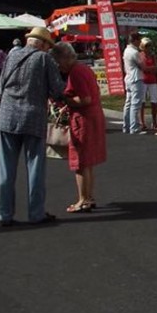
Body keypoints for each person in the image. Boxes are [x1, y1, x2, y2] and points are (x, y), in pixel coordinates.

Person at [0, 27, 64, 227]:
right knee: (35, 167)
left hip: (7, 116)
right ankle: (36, 213)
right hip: (33, 116)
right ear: (43, 44)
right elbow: (57, 89)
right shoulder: (44, 59)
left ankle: (4, 214)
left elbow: (1, 86)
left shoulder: (12, 56)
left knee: (6, 169)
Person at [51, 42, 107, 213]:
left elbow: (85, 99)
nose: (58, 66)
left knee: (80, 162)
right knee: (88, 162)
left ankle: (82, 199)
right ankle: (88, 197)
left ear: (64, 58)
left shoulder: (75, 73)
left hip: (83, 119)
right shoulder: (84, 69)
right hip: (93, 117)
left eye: (57, 62)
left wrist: (65, 101)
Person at [121, 32, 145, 134]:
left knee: (128, 103)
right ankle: (133, 127)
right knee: (135, 104)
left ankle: (126, 126)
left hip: (129, 77)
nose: (140, 42)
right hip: (136, 78)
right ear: (135, 40)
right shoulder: (135, 52)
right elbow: (142, 65)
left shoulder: (126, 50)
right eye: (139, 40)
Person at [138, 37, 157, 131]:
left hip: (152, 81)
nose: (148, 48)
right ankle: (142, 122)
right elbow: (143, 68)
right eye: (146, 46)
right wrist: (151, 68)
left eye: (149, 46)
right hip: (143, 80)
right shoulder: (140, 55)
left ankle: (154, 122)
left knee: (154, 102)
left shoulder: (153, 56)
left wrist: (149, 68)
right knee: (142, 102)